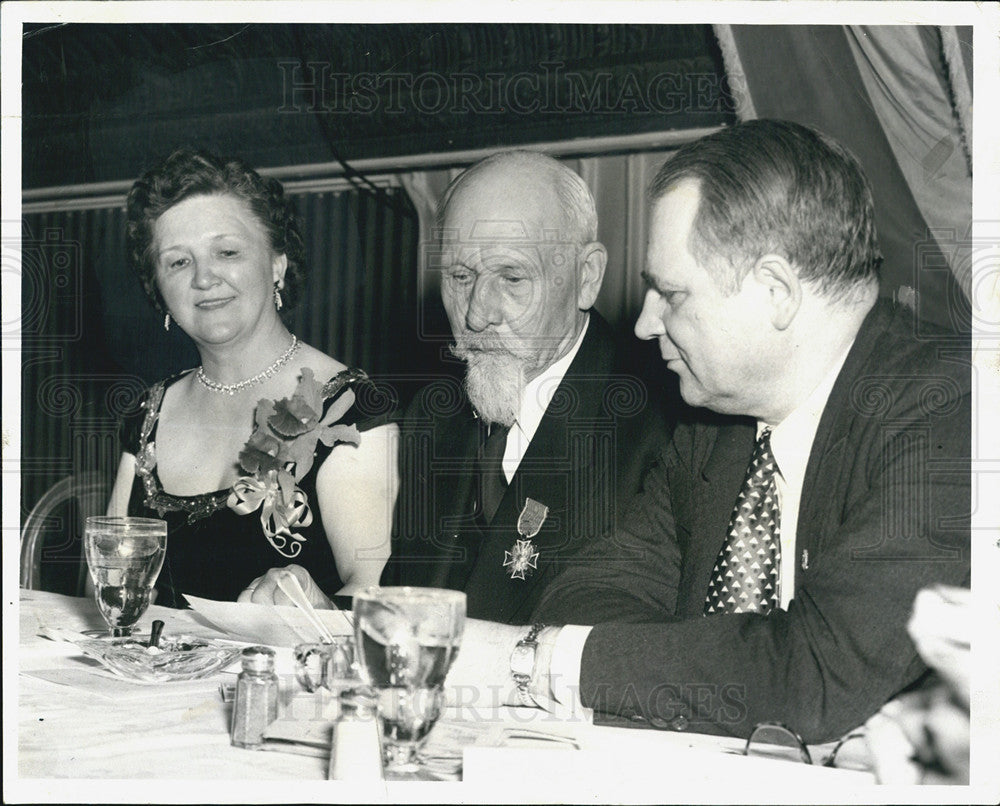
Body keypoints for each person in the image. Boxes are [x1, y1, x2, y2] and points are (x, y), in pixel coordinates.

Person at [445, 120, 970, 744]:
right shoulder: (714, 425)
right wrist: (721, 670)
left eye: (672, 295)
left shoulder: (954, 416)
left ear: (775, 292)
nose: (644, 324)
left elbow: (816, 676)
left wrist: (528, 663)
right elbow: (582, 595)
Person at [377, 150, 674, 623]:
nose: (477, 314)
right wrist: (326, 615)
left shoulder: (661, 428)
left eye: (512, 277)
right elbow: (405, 610)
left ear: (586, 277)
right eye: (460, 276)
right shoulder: (433, 417)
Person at [108, 148, 398, 608]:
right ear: (159, 291)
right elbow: (108, 589)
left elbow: (378, 596)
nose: (204, 278)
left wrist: (314, 602)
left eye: (227, 252)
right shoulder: (148, 414)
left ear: (277, 264)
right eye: (178, 262)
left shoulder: (349, 407)